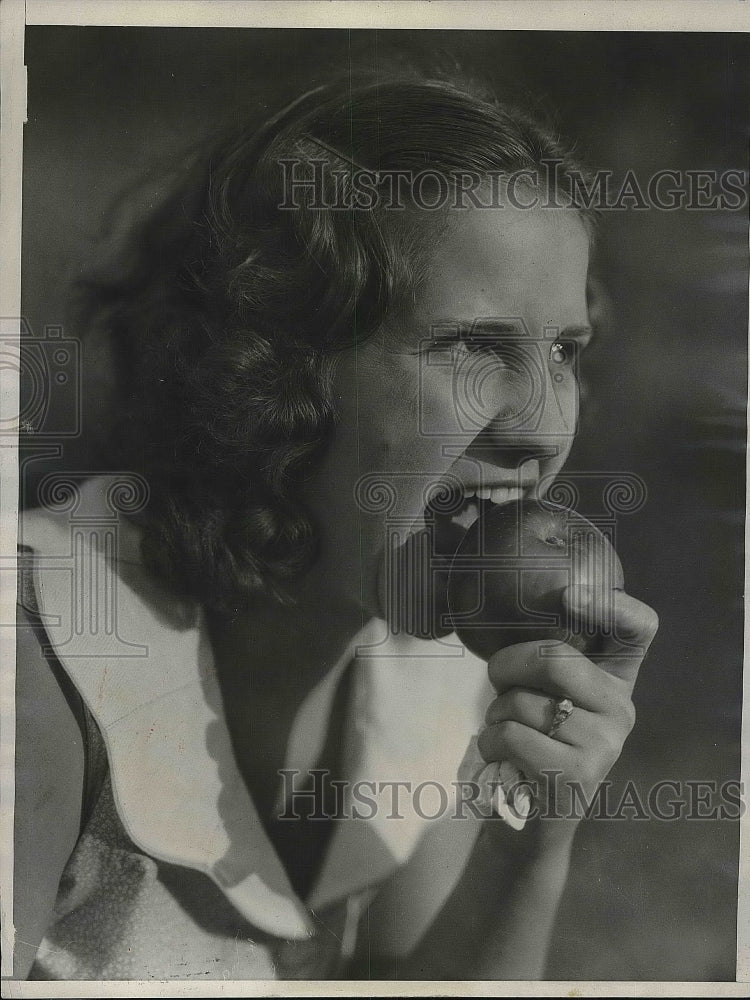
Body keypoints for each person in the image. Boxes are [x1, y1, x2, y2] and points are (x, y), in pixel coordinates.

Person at [14, 72, 659, 980]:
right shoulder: (41, 663)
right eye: (473, 344)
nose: (545, 428)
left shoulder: (429, 668)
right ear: (280, 368)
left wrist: (534, 829)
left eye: (564, 351)